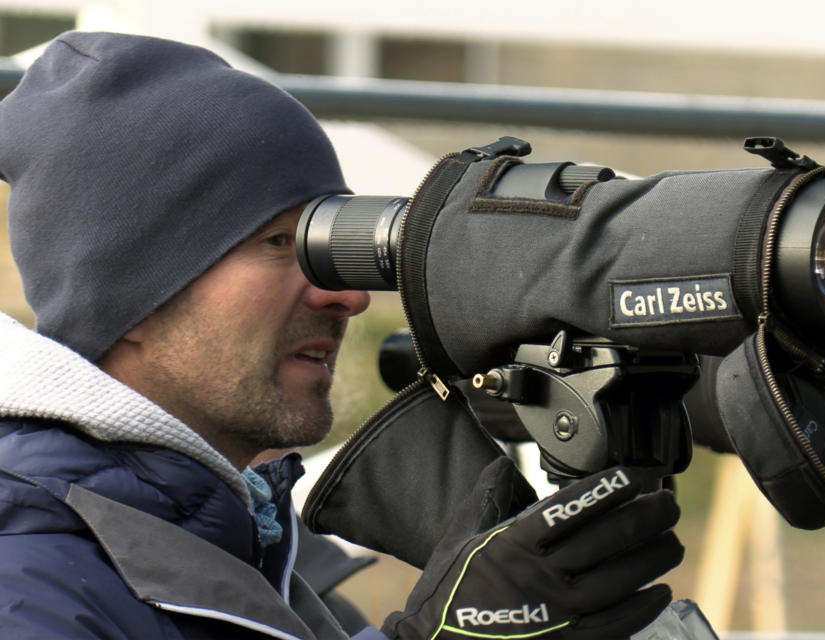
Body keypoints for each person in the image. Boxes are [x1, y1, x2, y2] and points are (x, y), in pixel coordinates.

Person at [0, 31, 684, 639]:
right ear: (133, 287)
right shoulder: (29, 585)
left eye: (332, 244)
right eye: (278, 242)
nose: (349, 295)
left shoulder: (246, 540)